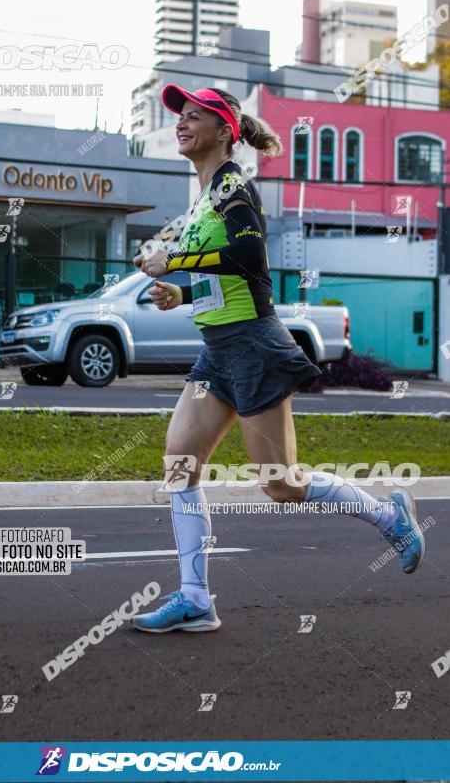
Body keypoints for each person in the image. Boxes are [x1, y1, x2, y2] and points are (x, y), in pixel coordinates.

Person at [130, 84, 425, 634]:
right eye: (181, 116)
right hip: (218, 353)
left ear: (224, 131)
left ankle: (392, 517)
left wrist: (173, 257)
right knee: (179, 463)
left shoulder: (234, 186)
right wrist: (185, 294)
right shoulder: (204, 194)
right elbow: (234, 281)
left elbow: (248, 254)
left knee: (280, 483)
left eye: (194, 117)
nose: (182, 123)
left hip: (255, 350)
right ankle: (195, 599)